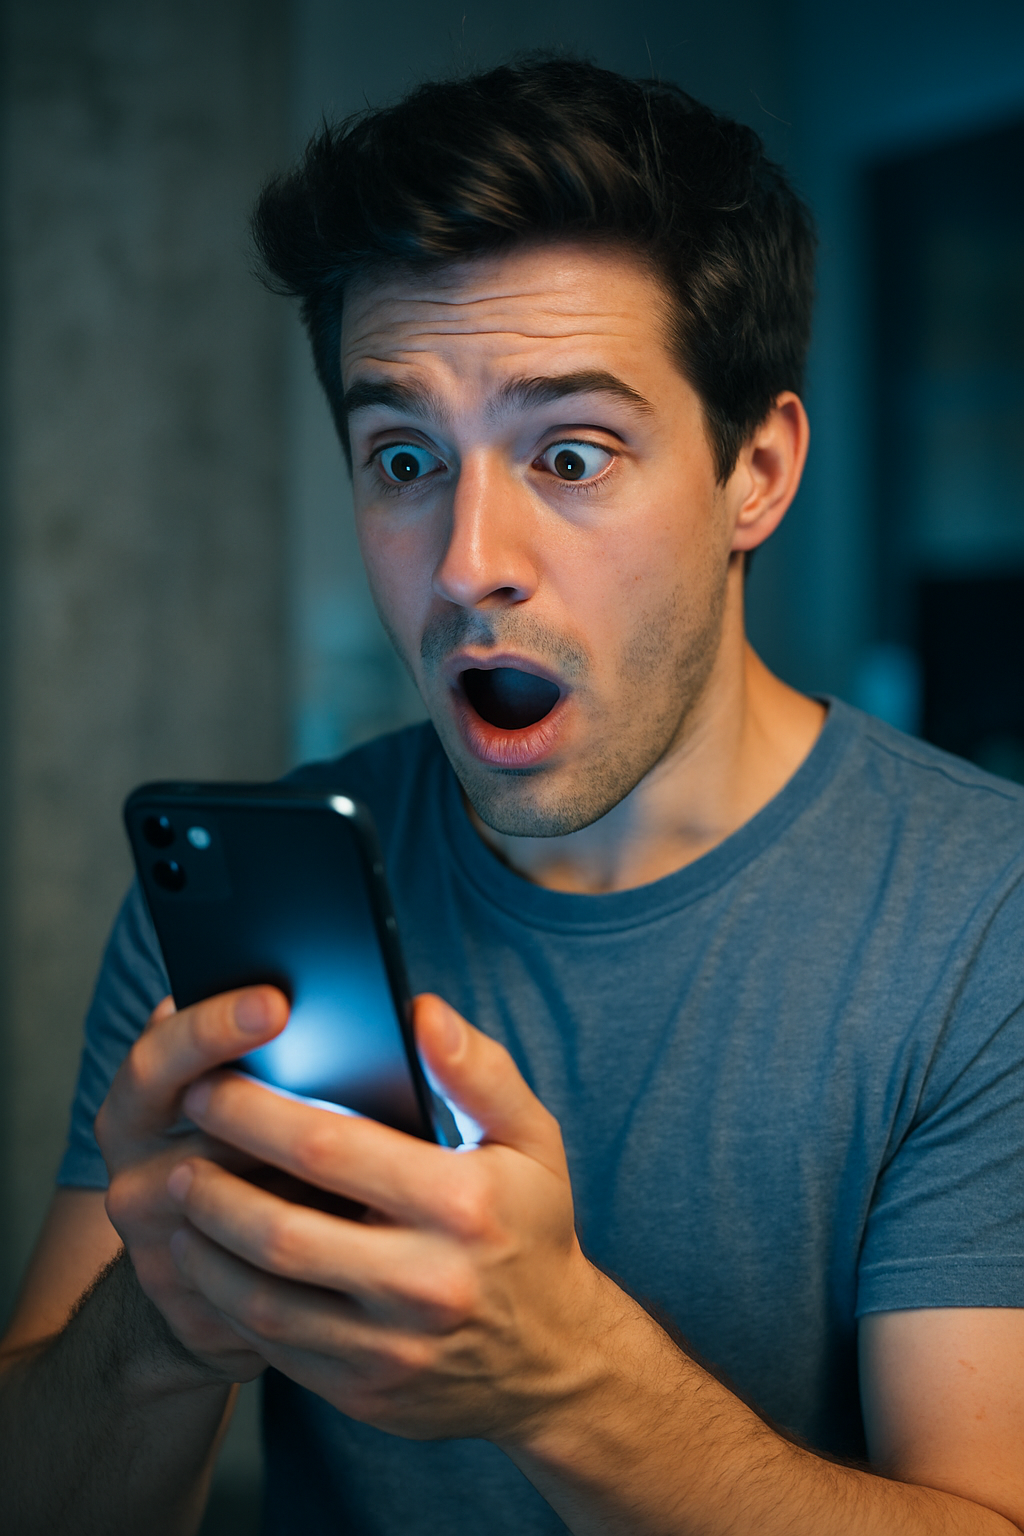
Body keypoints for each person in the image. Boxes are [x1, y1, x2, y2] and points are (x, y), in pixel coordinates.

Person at [2, 55, 1023, 1536]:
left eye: (572, 454)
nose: (469, 560)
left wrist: (565, 1384)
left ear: (755, 472)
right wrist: (164, 1323)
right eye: (405, 457)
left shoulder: (984, 918)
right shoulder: (240, 916)